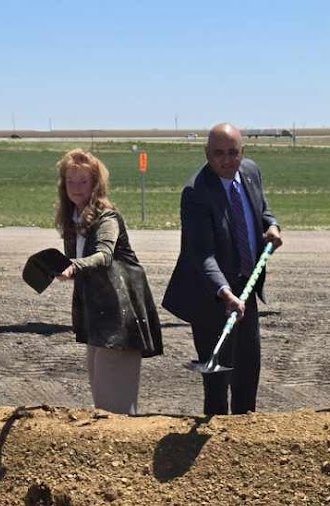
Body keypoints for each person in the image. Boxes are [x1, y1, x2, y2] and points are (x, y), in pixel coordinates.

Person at [161, 123, 283, 415]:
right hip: (210, 295)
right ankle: (215, 443)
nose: (227, 160)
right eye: (218, 154)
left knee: (247, 372)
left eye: (233, 153)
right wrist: (225, 293)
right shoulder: (196, 192)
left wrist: (273, 226)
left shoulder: (251, 172)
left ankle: (243, 438)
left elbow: (262, 209)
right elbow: (201, 254)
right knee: (217, 382)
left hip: (246, 287)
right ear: (207, 154)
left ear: (243, 152)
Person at [51, 149, 163, 414]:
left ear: (95, 184)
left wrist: (74, 266)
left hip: (120, 320)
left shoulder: (107, 218)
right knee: (103, 406)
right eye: (70, 181)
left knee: (116, 411)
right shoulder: (75, 219)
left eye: (83, 182)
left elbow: (104, 255)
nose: (76, 188)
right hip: (99, 318)